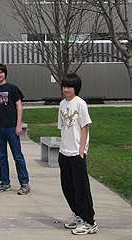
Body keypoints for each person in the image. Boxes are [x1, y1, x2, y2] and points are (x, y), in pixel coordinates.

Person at [58, 73, 98, 235]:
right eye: (65, 86)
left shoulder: (80, 104)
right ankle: (78, 214)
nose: (66, 89)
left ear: (76, 88)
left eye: (70, 87)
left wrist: (81, 150)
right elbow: (63, 127)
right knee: (67, 186)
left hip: (76, 153)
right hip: (64, 151)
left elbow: (84, 127)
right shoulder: (62, 104)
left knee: (81, 188)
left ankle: (90, 221)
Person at [0, 64, 30, 195]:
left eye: (1, 72)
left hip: (11, 127)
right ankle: (4, 183)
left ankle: (24, 183)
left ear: (5, 74)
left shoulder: (12, 88)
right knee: (2, 157)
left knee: (18, 156)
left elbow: (19, 106)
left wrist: (18, 125)